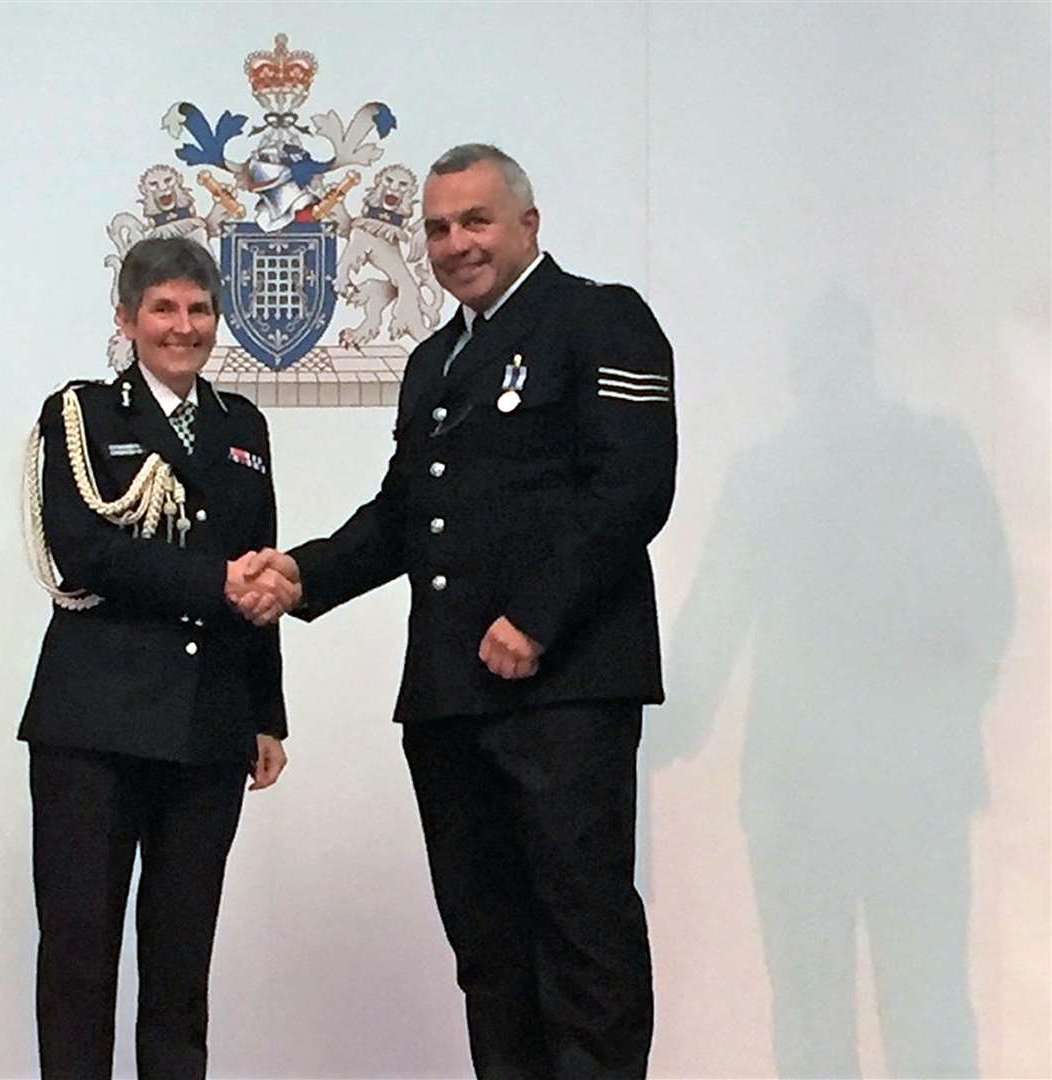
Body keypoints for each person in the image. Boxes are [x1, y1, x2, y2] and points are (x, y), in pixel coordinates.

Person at [244, 144, 676, 1078]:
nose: (455, 243)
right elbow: (407, 512)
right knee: (488, 952)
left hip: (563, 691)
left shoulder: (600, 319)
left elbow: (631, 489)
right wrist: (302, 576)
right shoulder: (436, 358)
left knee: (582, 937)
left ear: (527, 222)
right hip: (448, 700)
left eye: (475, 220)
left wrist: (536, 618)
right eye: (437, 228)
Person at [19, 236, 300, 1079]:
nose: (184, 328)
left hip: (206, 724)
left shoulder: (240, 426)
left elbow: (259, 566)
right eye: (164, 309)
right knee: (79, 958)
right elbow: (83, 554)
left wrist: (265, 714)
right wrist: (215, 580)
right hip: (93, 724)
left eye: (199, 309)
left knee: (181, 967)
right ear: (126, 319)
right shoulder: (81, 417)